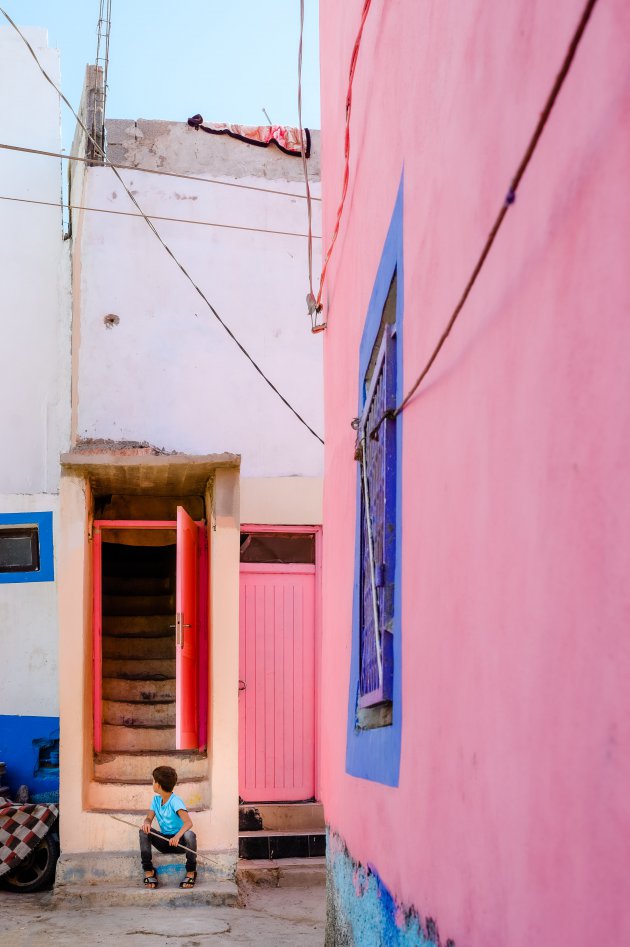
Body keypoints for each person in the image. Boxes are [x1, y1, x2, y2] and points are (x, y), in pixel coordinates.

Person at [139, 765, 197, 889]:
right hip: (165, 842)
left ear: (158, 785)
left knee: (190, 835)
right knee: (143, 831)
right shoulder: (155, 800)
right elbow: (149, 818)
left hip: (179, 843)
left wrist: (177, 837)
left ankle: (191, 872)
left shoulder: (175, 801)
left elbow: (188, 823)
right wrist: (147, 823)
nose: (153, 783)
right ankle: (149, 871)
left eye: (154, 781)